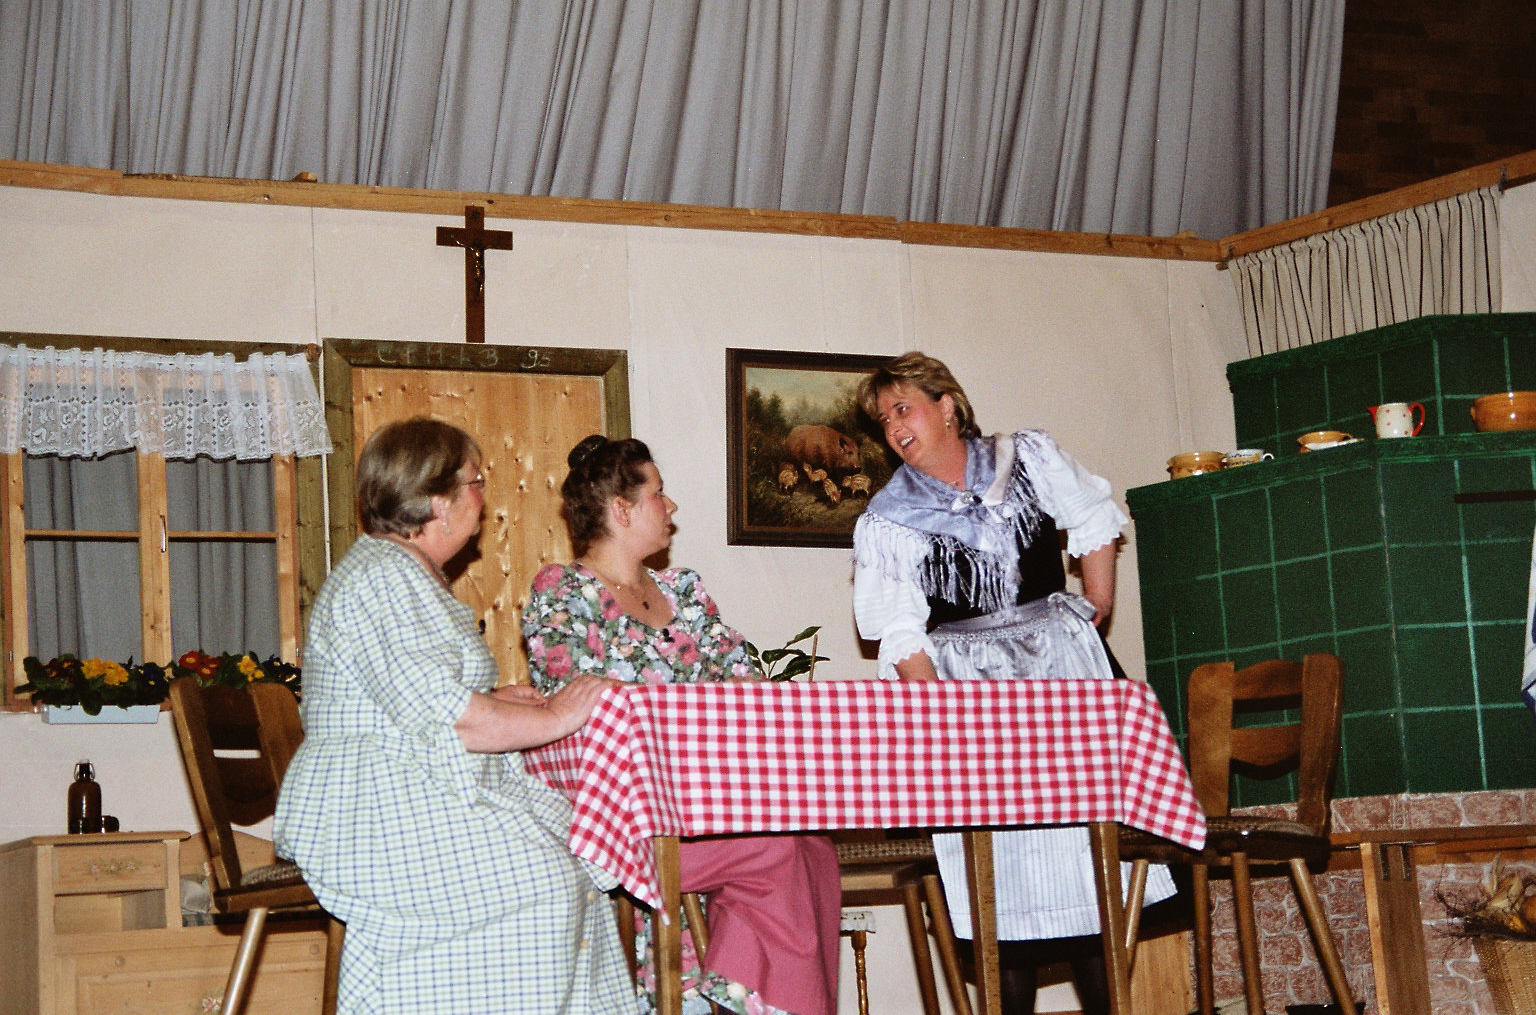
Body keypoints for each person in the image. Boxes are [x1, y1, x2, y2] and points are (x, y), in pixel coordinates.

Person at [273, 417, 636, 1015]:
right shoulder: (381, 578)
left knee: (577, 859)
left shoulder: (404, 573)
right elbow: (455, 720)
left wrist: (508, 702)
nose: (482, 498)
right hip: (374, 806)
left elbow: (429, 695)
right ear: (439, 502)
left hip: (403, 783)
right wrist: (558, 717)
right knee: (543, 885)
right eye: (476, 481)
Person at [850, 352, 1176, 1015]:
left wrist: (1098, 603)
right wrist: (947, 719)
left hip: (1060, 676)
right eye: (884, 419)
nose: (894, 426)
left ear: (947, 405)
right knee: (1001, 877)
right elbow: (900, 630)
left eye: (903, 407)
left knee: (1087, 858)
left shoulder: (1024, 457)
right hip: (970, 692)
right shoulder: (890, 518)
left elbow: (1092, 516)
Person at [522, 434, 841, 1015]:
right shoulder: (564, 594)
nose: (671, 509)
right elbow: (576, 703)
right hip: (624, 820)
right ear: (622, 509)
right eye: (659, 495)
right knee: (778, 849)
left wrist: (746, 690)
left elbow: (742, 679)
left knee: (811, 845)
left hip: (708, 806)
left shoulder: (683, 592)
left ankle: (725, 995)